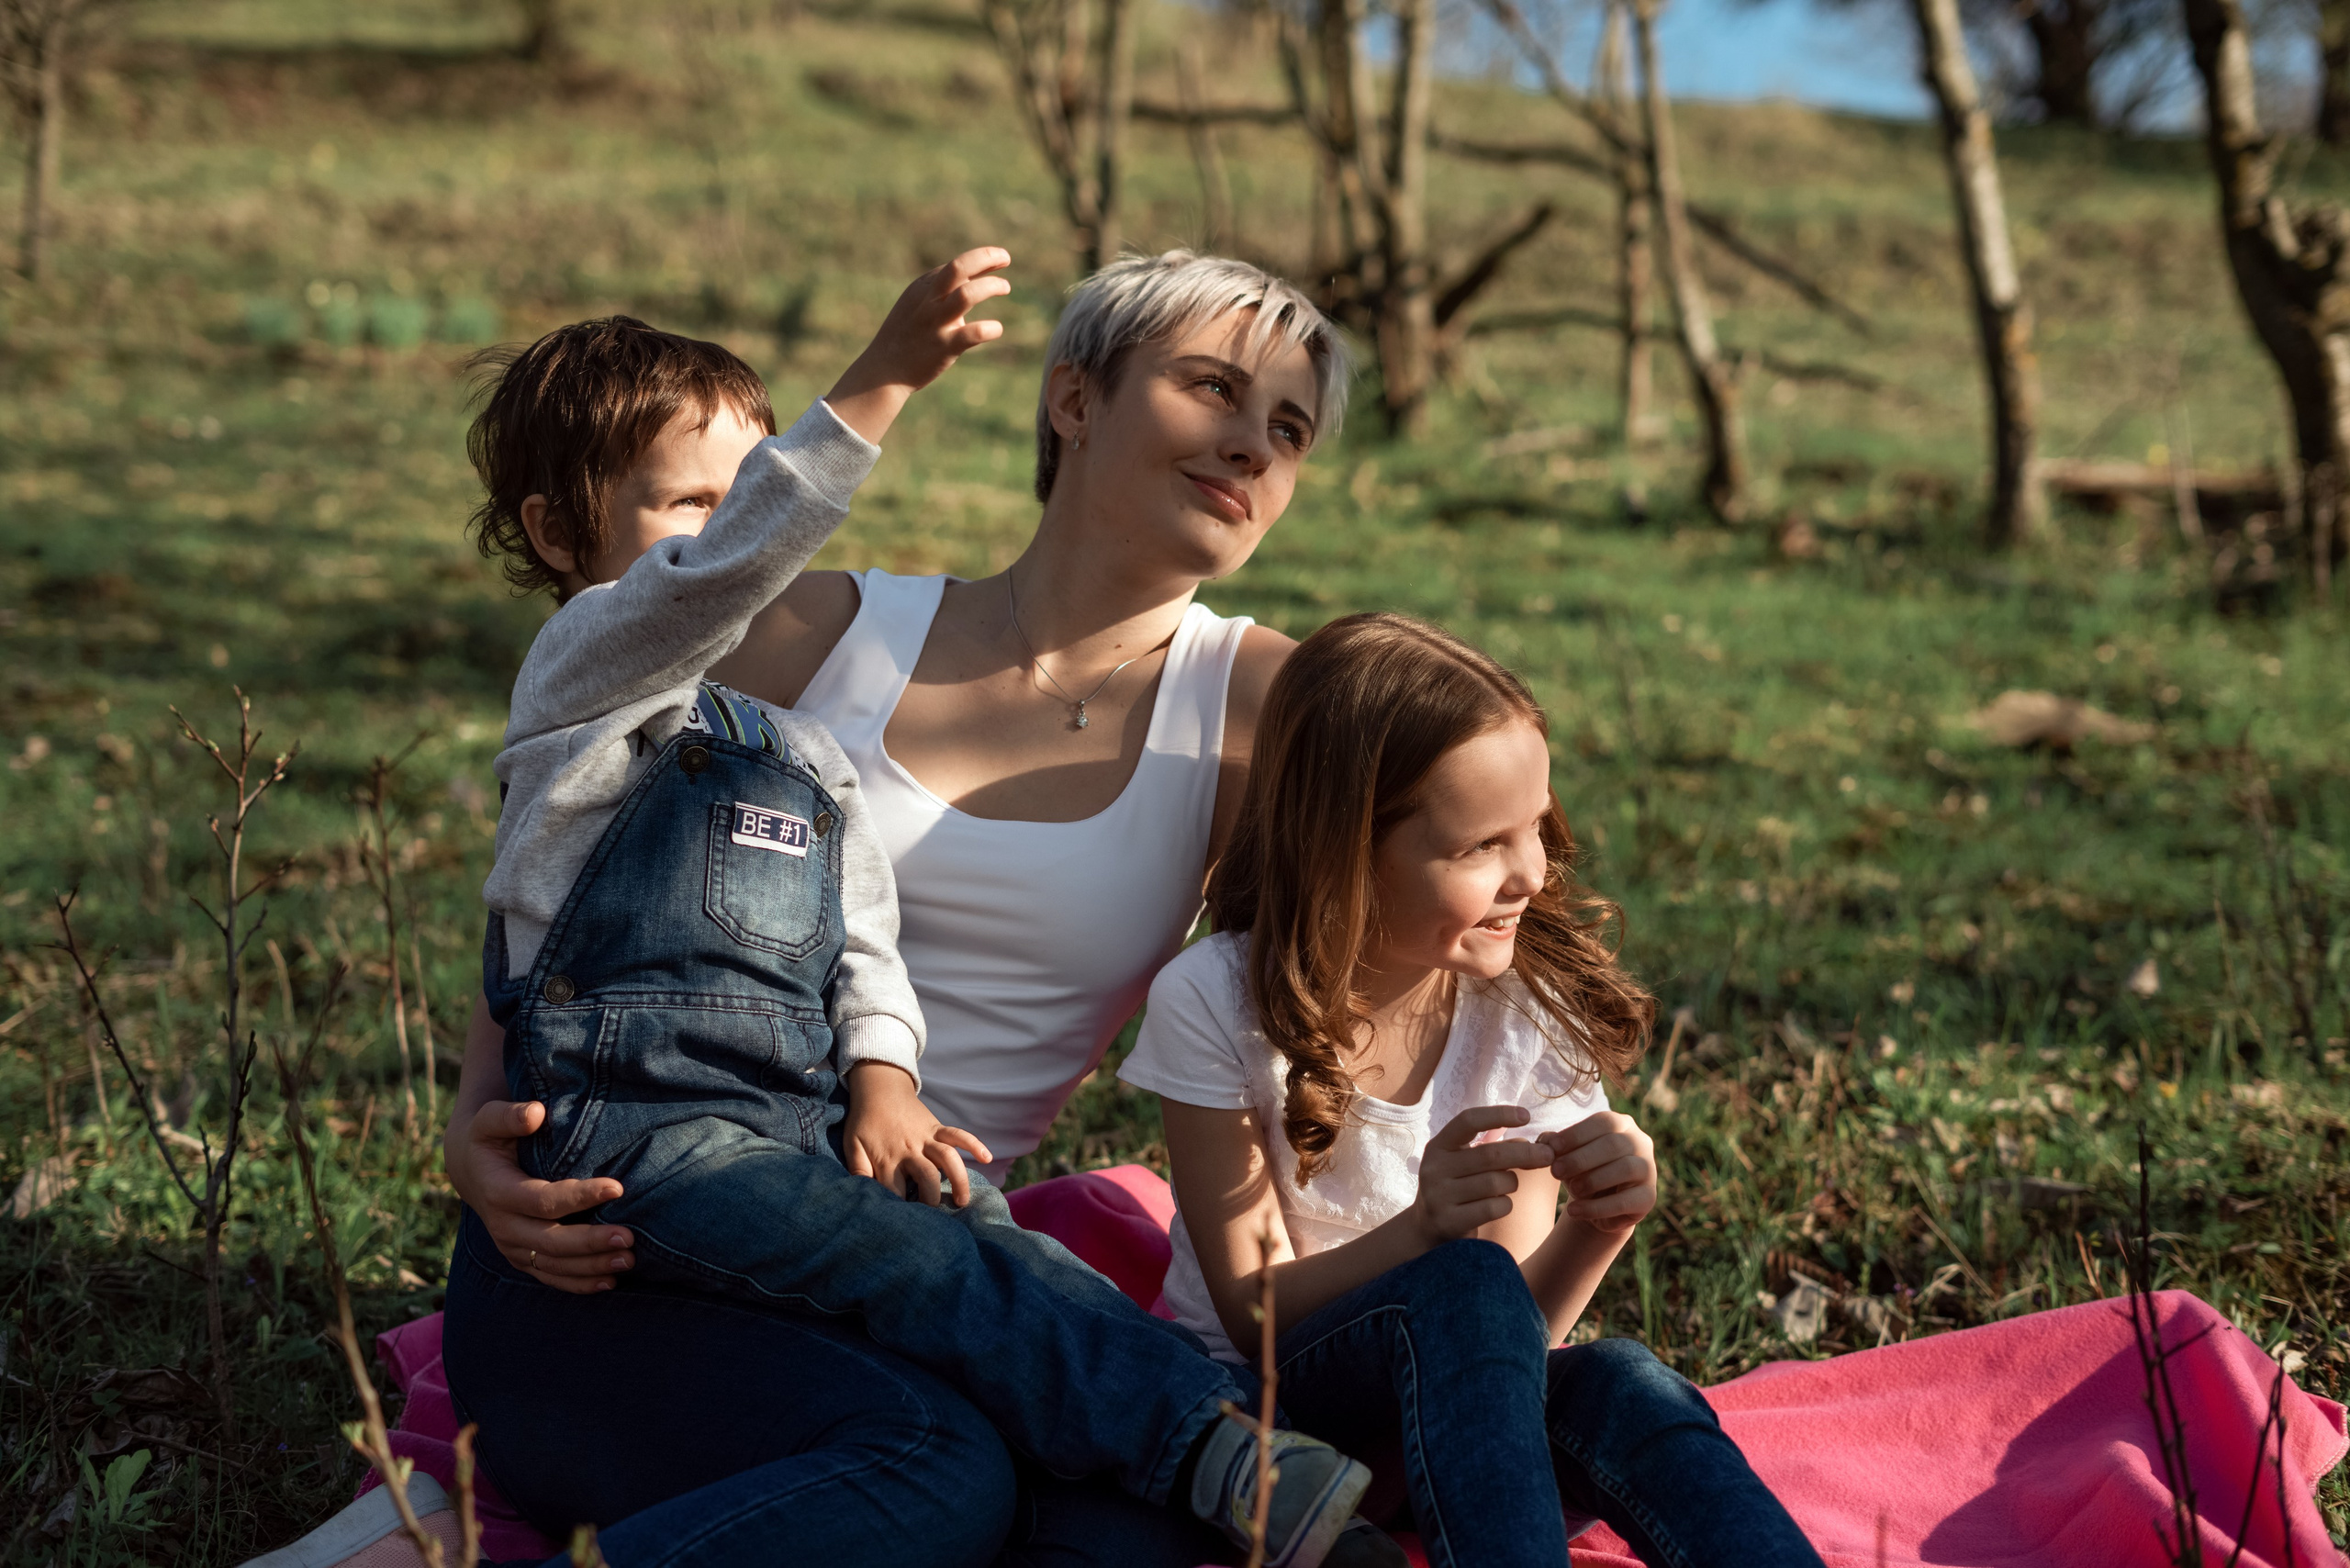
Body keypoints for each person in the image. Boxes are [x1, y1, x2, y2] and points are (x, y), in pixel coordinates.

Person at [433, 249, 1386, 1568]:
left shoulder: (1264, 704)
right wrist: (472, 1133)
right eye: (1212, 387)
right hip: (615, 1244)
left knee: (1128, 1546)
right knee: (935, 1482)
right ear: (1074, 399)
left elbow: (1381, 972)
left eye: (1287, 425)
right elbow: (560, 852)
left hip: (918, 1265)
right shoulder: (805, 629)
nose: (1249, 442)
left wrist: (1471, 1262)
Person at [1118, 611, 1827, 1568]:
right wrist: (1419, 1232)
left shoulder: (1522, 1005)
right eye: (1481, 845)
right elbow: (1254, 1319)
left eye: (1535, 826)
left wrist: (1598, 1222)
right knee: (1460, 1277)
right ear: (1348, 851)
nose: (1531, 872)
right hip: (1265, 1424)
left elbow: (1511, 1345)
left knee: (1618, 1376)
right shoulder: (1213, 999)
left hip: (1456, 1437)